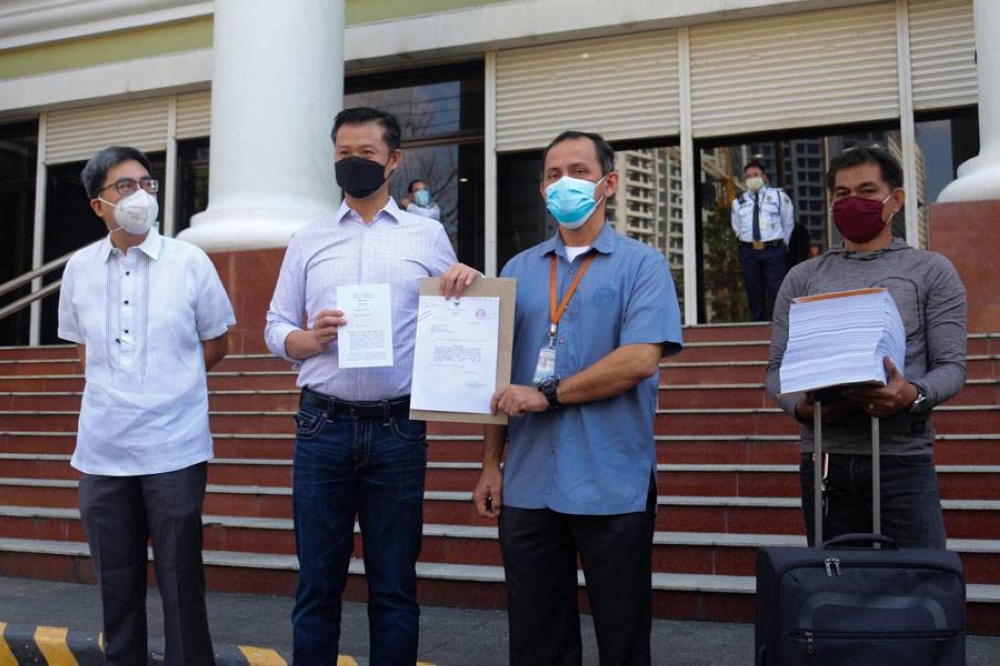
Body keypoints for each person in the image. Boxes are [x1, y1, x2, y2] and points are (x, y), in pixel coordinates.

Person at [264, 106, 479, 664]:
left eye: (365, 154)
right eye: (343, 154)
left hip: (398, 428)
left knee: (394, 589)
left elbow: (457, 310)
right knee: (316, 586)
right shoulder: (307, 239)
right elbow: (274, 326)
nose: (353, 163)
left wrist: (468, 281)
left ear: (393, 159)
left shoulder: (428, 235)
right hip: (322, 425)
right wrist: (308, 341)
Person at [473, 130, 683, 665]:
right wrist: (490, 465)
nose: (564, 182)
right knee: (535, 633)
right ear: (543, 190)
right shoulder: (517, 271)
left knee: (622, 631)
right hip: (527, 485)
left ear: (608, 184)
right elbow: (497, 377)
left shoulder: (643, 265)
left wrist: (548, 394)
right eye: (552, 173)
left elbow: (639, 359)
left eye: (579, 171)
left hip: (610, 480)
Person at [57, 146, 235, 666]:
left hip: (174, 449)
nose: (139, 195)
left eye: (146, 184)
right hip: (102, 453)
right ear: (98, 205)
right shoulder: (79, 269)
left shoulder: (190, 261)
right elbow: (84, 351)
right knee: (116, 586)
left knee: (182, 584)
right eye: (124, 186)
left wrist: (170, 383)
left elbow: (217, 342)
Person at [765, 145, 967, 549]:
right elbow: (776, 370)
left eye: (867, 190)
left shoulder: (931, 271)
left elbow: (951, 366)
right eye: (842, 194)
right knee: (836, 589)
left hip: (902, 459)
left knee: (918, 583)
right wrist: (800, 407)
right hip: (824, 461)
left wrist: (911, 394)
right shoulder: (802, 278)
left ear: (896, 199)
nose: (853, 202)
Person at [731, 160, 795, 321]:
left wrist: (782, 245)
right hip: (749, 251)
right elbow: (737, 228)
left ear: (764, 177)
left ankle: (783, 326)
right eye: (748, 176)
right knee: (754, 292)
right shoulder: (739, 202)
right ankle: (757, 328)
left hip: (773, 250)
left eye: (755, 175)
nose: (752, 179)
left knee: (777, 290)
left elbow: (787, 222)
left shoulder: (778, 196)